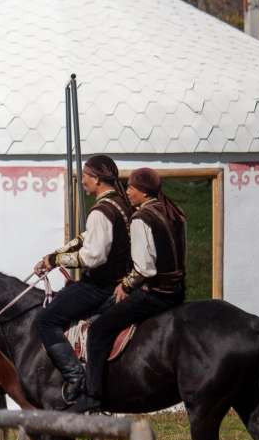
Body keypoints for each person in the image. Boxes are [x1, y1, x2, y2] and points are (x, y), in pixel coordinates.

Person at [75, 167, 187, 413]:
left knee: (99, 329)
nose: (128, 192)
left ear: (143, 192)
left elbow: (144, 269)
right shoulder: (172, 212)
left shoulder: (142, 218)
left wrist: (124, 285)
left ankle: (93, 395)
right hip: (177, 291)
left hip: (156, 294)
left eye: (131, 188)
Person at [32, 155, 133, 404]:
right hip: (119, 280)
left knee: (45, 320)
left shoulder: (101, 211)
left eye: (85, 176)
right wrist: (54, 255)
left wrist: (56, 261)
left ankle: (75, 376)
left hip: (101, 286)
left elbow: (93, 256)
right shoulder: (120, 204)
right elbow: (86, 237)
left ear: (96, 179)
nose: (83, 181)